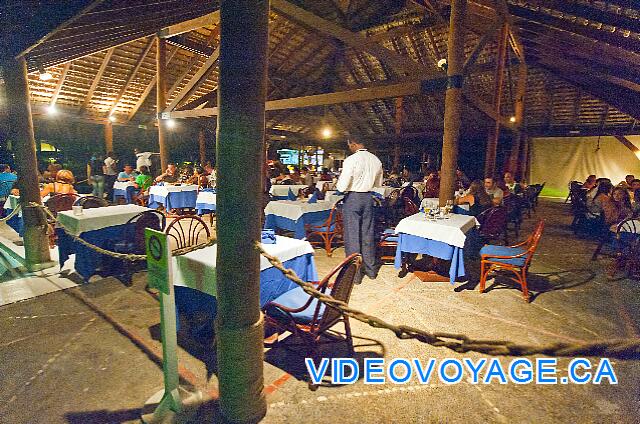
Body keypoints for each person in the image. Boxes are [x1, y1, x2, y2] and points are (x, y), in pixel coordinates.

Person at [336, 138, 383, 283]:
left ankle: (354, 275)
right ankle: (371, 270)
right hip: (368, 198)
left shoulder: (351, 159)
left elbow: (342, 186)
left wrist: (340, 188)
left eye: (349, 145)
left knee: (352, 236)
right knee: (367, 234)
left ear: (353, 144)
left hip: (354, 198)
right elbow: (378, 183)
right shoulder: (376, 160)